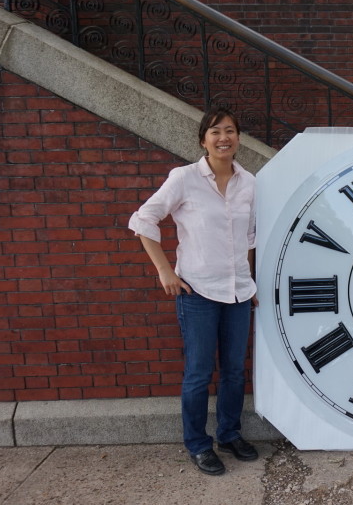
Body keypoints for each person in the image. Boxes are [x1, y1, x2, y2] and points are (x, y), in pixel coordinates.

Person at [128, 107, 260, 476]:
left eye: (230, 131)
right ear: (203, 140)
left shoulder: (248, 182)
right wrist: (164, 270)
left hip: (238, 293)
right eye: (216, 131)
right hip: (198, 293)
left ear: (238, 138)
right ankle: (198, 444)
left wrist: (248, 281)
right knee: (200, 373)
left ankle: (229, 434)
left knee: (234, 372)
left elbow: (249, 238)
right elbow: (143, 219)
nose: (224, 138)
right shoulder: (184, 178)